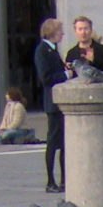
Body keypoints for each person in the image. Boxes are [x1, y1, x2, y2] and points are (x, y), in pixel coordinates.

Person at [34, 17, 68, 191]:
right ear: (52, 33)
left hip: (61, 102)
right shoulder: (42, 50)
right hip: (52, 103)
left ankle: (64, 179)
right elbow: (45, 77)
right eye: (60, 31)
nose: (62, 34)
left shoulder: (53, 50)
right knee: (53, 142)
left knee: (63, 143)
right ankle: (51, 181)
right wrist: (65, 76)